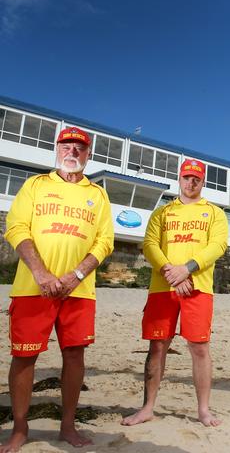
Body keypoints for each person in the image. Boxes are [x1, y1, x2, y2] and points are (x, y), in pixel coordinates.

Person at [1, 127, 114, 452]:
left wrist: (76, 275)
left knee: (74, 356)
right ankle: (20, 429)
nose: (73, 152)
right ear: (57, 148)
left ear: (88, 154)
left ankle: (67, 425)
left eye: (80, 148)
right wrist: (41, 273)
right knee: (24, 356)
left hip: (78, 292)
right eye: (68, 146)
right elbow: (16, 227)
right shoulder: (35, 185)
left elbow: (105, 241)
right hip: (32, 288)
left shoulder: (98, 194)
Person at [121, 158, 228, 428]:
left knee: (199, 347)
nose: (191, 183)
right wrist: (172, 273)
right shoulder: (163, 213)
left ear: (203, 182)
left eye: (197, 179)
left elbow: (218, 246)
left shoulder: (214, 213)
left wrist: (187, 269)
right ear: (179, 179)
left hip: (198, 287)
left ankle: (204, 410)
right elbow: (149, 245)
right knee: (157, 346)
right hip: (162, 288)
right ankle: (147, 408)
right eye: (187, 177)